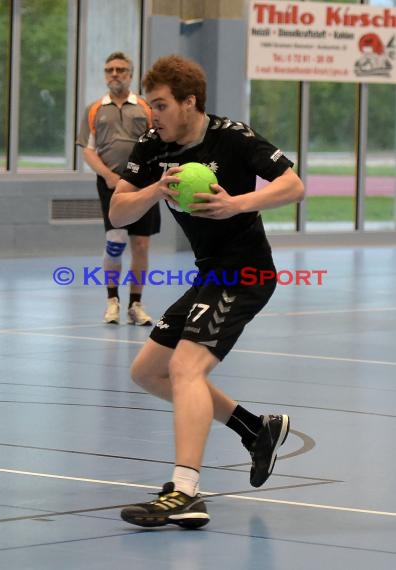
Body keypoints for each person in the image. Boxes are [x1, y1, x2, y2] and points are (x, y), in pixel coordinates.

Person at [109, 54, 305, 528]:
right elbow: (118, 212)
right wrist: (156, 188)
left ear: (189, 102)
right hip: (209, 273)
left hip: (247, 272)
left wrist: (238, 203)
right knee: (147, 372)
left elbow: (294, 185)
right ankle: (255, 430)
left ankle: (185, 491)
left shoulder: (232, 137)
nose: (152, 115)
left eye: (160, 105)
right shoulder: (153, 146)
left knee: (184, 366)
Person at [77, 51, 160, 325]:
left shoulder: (146, 108)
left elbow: (159, 143)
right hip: (110, 184)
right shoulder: (94, 109)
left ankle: (135, 305)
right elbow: (88, 151)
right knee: (115, 242)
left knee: (141, 244)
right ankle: (112, 301)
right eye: (110, 69)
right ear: (105, 74)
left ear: (131, 74)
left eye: (121, 69)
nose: (115, 74)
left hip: (144, 185)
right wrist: (109, 176)